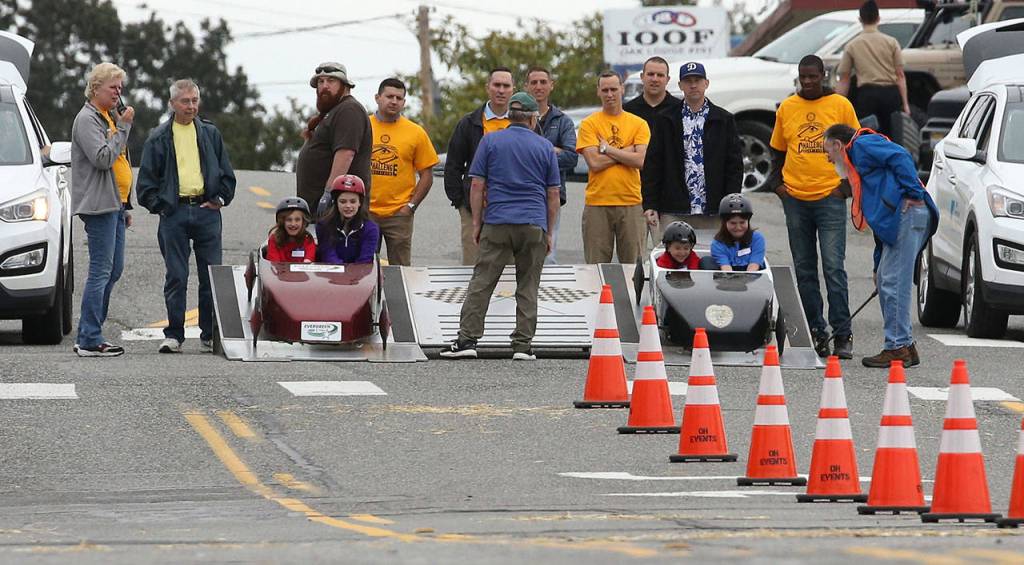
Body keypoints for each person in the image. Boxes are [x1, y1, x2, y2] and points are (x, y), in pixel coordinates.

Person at [439, 92, 560, 361]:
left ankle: (467, 339)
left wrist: (476, 222)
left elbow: (477, 185)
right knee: (528, 284)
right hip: (533, 222)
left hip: (497, 221)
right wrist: (549, 231)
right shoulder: (544, 147)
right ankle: (522, 345)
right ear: (532, 119)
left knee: (482, 282)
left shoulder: (491, 140)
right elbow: (553, 193)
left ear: (509, 117)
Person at [823, 124, 938, 368]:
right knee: (886, 278)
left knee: (894, 282)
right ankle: (905, 345)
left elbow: (900, 156)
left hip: (908, 212)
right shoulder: (858, 162)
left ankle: (897, 347)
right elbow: (880, 226)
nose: (828, 158)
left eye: (828, 152)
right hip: (901, 218)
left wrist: (914, 193)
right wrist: (877, 265)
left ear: (837, 145)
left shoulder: (862, 145)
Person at [769, 55, 860, 360]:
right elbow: (777, 151)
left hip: (829, 197)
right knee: (805, 269)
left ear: (823, 75)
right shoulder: (787, 107)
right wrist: (778, 186)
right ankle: (816, 331)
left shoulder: (840, 105)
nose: (808, 82)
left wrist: (845, 187)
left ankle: (842, 333)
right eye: (803, 77)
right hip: (795, 198)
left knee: (834, 267)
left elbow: (856, 147)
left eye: (813, 76)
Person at [137, 79, 236, 354]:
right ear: (172, 104)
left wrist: (220, 199)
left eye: (194, 100)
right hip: (174, 213)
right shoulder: (159, 137)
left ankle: (208, 334)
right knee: (177, 276)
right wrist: (161, 207)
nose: (191, 106)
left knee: (210, 276)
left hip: (207, 212)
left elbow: (227, 173)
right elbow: (145, 184)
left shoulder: (210, 133)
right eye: (185, 101)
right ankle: (174, 335)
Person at [70, 62, 134, 357]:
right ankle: (89, 337)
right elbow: (103, 158)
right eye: (113, 87)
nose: (118, 93)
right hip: (99, 205)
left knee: (113, 269)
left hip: (116, 205)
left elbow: (119, 162)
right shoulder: (87, 119)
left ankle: (91, 331)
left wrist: (125, 204)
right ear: (96, 88)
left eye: (120, 88)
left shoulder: (107, 117)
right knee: (101, 270)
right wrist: (124, 128)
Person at [643, 61, 743, 237]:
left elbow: (734, 165)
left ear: (706, 83)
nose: (693, 85)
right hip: (674, 209)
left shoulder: (723, 119)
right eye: (688, 81)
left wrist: (731, 204)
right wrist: (650, 204)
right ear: (680, 85)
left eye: (698, 80)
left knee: (714, 254)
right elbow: (653, 164)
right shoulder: (665, 119)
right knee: (672, 253)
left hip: (714, 210)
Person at [577, 71, 650, 265]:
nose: (610, 94)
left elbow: (641, 160)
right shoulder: (589, 124)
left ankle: (632, 291)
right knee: (596, 267)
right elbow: (594, 163)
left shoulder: (639, 124)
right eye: (605, 90)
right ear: (598, 92)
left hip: (631, 202)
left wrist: (608, 150)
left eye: (614, 89)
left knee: (633, 266)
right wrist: (626, 152)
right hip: (597, 203)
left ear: (622, 89)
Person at [444, 67, 514, 265]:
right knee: (473, 267)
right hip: (474, 208)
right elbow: (453, 165)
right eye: (496, 85)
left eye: (506, 86)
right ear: (487, 87)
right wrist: (460, 202)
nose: (501, 90)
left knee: (510, 270)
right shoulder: (469, 123)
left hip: (513, 209)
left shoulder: (524, 122)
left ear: (513, 89)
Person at [368, 78, 439, 266]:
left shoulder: (415, 132)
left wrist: (410, 206)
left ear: (404, 102)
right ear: (377, 98)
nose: (394, 101)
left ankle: (397, 290)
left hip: (399, 214)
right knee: (363, 267)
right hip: (366, 212)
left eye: (399, 98)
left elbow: (427, 175)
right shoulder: (362, 126)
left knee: (400, 269)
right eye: (389, 96)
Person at [295, 62, 372, 215]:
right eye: (320, 81)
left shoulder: (349, 109)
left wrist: (329, 193)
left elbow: (346, 154)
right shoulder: (334, 111)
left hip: (339, 210)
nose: (324, 86)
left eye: (331, 81)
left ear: (345, 86)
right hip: (320, 209)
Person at [525, 66, 578, 264]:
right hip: (519, 195)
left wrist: (532, 155)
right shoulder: (516, 119)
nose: (538, 86)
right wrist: (550, 150)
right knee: (519, 256)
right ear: (526, 86)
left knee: (547, 257)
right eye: (534, 82)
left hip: (551, 197)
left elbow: (571, 157)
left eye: (543, 82)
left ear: (551, 85)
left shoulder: (563, 121)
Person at [835, 1, 910, 139]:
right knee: (892, 137)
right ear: (878, 18)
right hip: (890, 95)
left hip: (867, 96)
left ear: (860, 19)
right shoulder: (891, 42)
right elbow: (900, 75)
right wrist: (905, 104)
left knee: (867, 137)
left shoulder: (852, 45)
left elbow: (844, 79)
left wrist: (837, 105)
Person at [316, 175, 379, 265]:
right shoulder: (323, 225)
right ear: (335, 202)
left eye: (353, 201)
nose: (348, 206)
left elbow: (365, 260)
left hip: (359, 272)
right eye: (343, 201)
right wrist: (343, 271)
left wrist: (352, 272)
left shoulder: (371, 228)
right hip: (332, 270)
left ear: (360, 203)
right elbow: (328, 255)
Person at [623, 56, 679, 133]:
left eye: (660, 75)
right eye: (650, 74)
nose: (655, 79)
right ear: (642, 77)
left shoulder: (679, 110)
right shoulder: (627, 111)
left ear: (667, 79)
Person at [710, 194, 765, 272]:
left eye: (742, 222)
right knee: (707, 262)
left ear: (748, 221)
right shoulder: (717, 243)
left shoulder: (757, 239)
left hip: (751, 274)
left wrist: (747, 277)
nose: (738, 227)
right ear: (724, 223)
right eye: (733, 223)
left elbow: (754, 264)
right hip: (728, 275)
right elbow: (726, 268)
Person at [266, 197, 316, 263]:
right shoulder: (274, 240)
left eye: (297, 220)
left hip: (302, 270)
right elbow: (275, 264)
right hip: (279, 269)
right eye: (289, 220)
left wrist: (305, 264)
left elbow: (308, 261)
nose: (293, 224)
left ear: (303, 221)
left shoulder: (308, 240)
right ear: (282, 221)